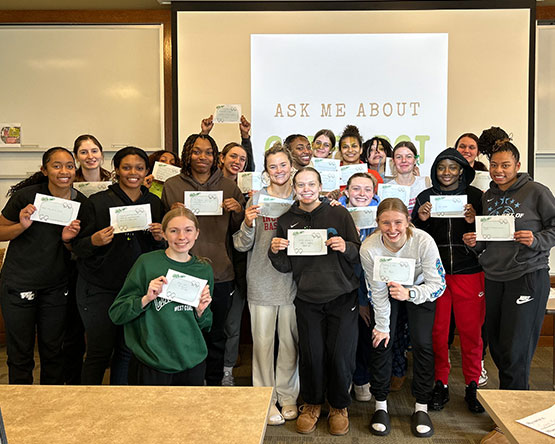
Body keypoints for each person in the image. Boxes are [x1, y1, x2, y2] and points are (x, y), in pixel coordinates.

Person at [269, 167, 360, 436]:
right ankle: (311, 404)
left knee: (340, 355)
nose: (306, 189)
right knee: (311, 354)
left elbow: (357, 253)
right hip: (307, 298)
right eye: (301, 185)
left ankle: (339, 406)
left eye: (311, 184)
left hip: (342, 296)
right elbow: (285, 266)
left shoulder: (339, 213)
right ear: (294, 189)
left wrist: (346, 246)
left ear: (320, 187)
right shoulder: (287, 220)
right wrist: (274, 251)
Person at [462, 138, 555, 391]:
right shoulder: (488, 196)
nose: (498, 170)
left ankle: (511, 423)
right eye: (494, 165)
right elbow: (488, 240)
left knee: (516, 352)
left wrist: (536, 239)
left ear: (518, 166)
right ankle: (508, 412)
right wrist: (474, 241)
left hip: (526, 276)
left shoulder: (537, 192)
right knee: (500, 350)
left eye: (505, 165)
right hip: (493, 277)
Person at [72, 146, 165, 385]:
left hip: (137, 289)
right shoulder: (98, 202)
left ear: (147, 172)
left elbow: (161, 252)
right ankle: (88, 406)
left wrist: (160, 237)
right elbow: (76, 247)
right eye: (126, 167)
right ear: (116, 170)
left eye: (139, 168)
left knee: (127, 351)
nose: (133, 173)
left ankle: (118, 405)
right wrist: (93, 240)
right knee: (99, 351)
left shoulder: (154, 203)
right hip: (100, 288)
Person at [161, 133, 245, 386]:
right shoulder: (172, 185)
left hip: (220, 272)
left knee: (216, 333)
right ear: (187, 154)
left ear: (215, 157)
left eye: (208, 152)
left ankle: (214, 380)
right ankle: (188, 382)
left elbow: (241, 233)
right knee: (183, 330)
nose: (202, 157)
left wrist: (238, 211)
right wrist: (171, 213)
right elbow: (163, 230)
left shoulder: (230, 187)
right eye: (196, 151)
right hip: (181, 271)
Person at [360, 198, 445, 438]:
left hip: (420, 291)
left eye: (398, 222)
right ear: (377, 223)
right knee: (381, 341)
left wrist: (411, 293)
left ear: (408, 221)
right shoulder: (369, 248)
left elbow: (438, 285)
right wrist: (382, 326)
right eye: (385, 223)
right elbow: (375, 291)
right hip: (387, 292)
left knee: (422, 344)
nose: (392, 229)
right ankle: (380, 404)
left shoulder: (423, 241)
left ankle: (421, 406)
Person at [0, 147, 85, 384]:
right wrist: (22, 226)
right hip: (19, 284)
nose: (64, 171)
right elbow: (0, 231)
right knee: (20, 353)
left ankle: (51, 408)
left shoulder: (81, 202)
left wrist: (69, 241)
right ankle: (19, 408)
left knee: (53, 351)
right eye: (56, 166)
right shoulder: (26, 197)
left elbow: (81, 250)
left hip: (56, 287)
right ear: (44, 170)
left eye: (69, 165)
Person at [412, 148, 485, 413]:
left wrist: (473, 221)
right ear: (435, 171)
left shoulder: (477, 197)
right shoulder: (425, 198)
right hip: (435, 275)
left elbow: (488, 234)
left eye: (453, 168)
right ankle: (440, 383)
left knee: (471, 333)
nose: (447, 173)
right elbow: (413, 238)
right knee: (438, 333)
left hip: (470, 272)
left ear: (462, 170)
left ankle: (472, 385)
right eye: (441, 167)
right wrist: (420, 220)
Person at [108, 207, 213, 386]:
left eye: (188, 230)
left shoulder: (203, 270)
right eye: (174, 231)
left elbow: (207, 324)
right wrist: (146, 299)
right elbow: (117, 314)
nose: (181, 237)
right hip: (151, 362)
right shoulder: (146, 263)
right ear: (164, 234)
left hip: (191, 362)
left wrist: (201, 312)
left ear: (197, 233)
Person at [233, 143, 299, 425]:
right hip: (261, 279)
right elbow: (241, 244)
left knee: (290, 343)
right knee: (261, 344)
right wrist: (248, 224)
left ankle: (287, 395)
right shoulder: (256, 200)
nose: (279, 171)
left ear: (292, 167)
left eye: (283, 165)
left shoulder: (302, 197)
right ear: (266, 171)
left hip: (294, 282)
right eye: (273, 166)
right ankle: (264, 397)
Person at [338, 173, 380, 402]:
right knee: (342, 339)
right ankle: (342, 381)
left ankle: (361, 379)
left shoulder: (381, 216)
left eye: (367, 189)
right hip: (342, 286)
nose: (361, 194)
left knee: (365, 336)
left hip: (371, 288)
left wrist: (364, 300)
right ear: (346, 191)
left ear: (374, 192)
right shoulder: (336, 213)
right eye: (356, 189)